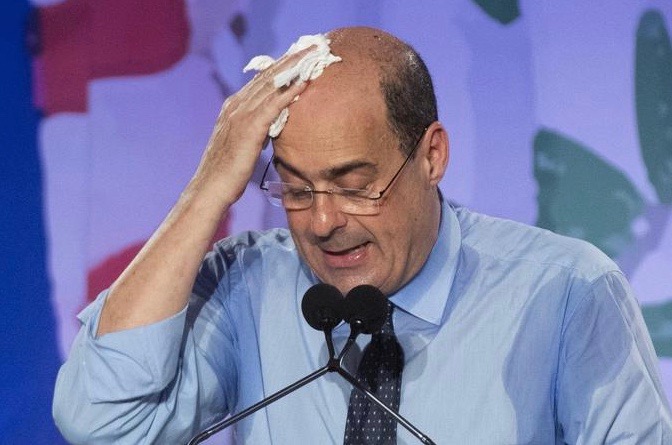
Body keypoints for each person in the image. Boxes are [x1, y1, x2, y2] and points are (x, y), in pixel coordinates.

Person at [53, 26, 672, 444]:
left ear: (432, 156)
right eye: (296, 190)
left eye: (354, 187)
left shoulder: (567, 293)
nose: (324, 223)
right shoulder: (247, 284)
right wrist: (209, 186)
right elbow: (101, 421)